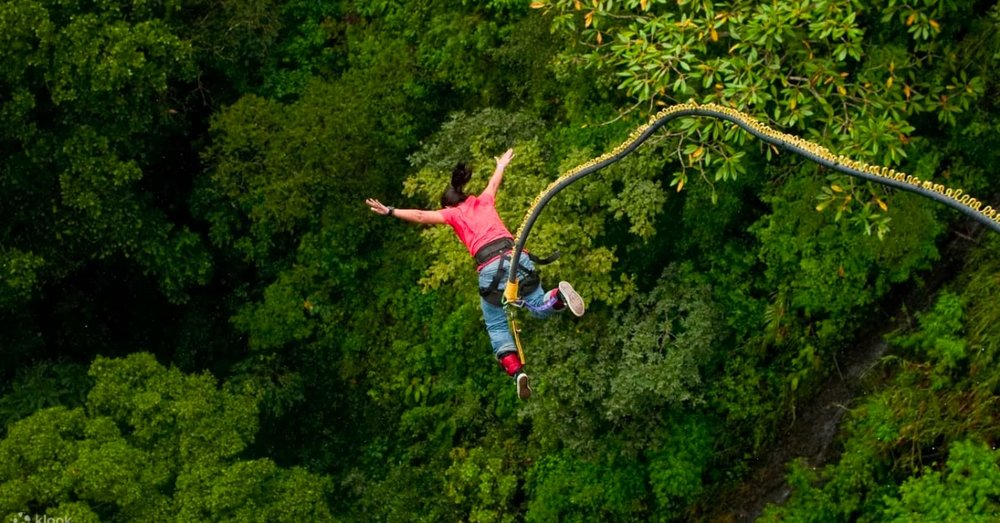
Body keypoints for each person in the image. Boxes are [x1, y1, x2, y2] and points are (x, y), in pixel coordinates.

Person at [364, 148, 585, 400]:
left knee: (496, 324)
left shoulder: (452, 213)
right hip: (516, 257)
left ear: (448, 205)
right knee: (538, 303)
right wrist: (501, 165)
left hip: (490, 268)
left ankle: (517, 372)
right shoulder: (483, 201)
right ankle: (558, 296)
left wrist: (390, 210)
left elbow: (421, 215)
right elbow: (493, 183)